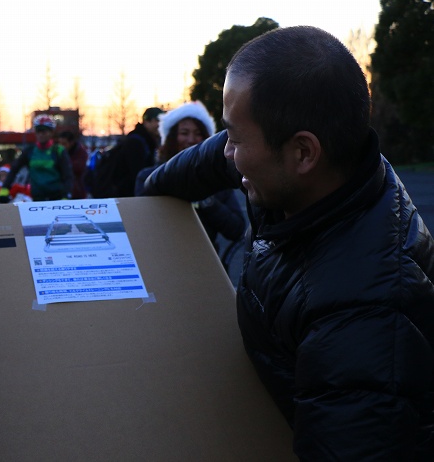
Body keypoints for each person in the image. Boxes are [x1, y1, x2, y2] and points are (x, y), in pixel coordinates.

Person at [143, 26, 434, 459]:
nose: (226, 152)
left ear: (303, 154)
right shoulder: (318, 168)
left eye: (236, 139)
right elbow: (207, 160)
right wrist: (144, 199)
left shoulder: (366, 321)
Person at [135, 102, 246, 268]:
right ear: (171, 137)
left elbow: (236, 229)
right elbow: (140, 227)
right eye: (184, 133)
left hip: (205, 266)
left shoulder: (216, 180)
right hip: (161, 264)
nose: (191, 140)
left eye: (198, 133)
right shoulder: (147, 177)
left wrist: (208, 202)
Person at [0, 114, 73, 201]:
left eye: (44, 131)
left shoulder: (59, 151)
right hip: (36, 197)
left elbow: (68, 175)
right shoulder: (29, 151)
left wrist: (66, 195)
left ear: (52, 132)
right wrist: (4, 189)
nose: (41, 134)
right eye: (38, 131)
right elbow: (14, 169)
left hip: (57, 197)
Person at [114, 107, 163, 197]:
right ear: (146, 122)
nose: (161, 124)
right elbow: (136, 175)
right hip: (128, 199)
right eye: (157, 120)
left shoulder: (147, 141)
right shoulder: (136, 142)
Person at [57, 130, 89, 199]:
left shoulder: (81, 153)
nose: (61, 146)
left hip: (76, 193)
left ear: (71, 143)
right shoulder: (58, 152)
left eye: (64, 143)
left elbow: (78, 168)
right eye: (60, 143)